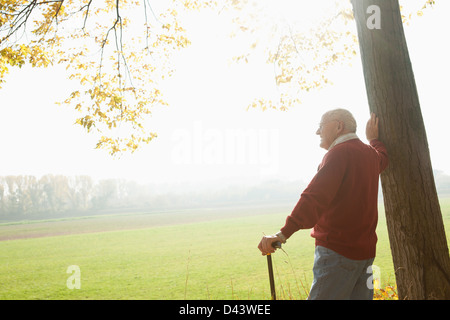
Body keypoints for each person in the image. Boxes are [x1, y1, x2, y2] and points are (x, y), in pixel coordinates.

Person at [258, 109, 388, 300]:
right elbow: (383, 157)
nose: (317, 132)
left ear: (338, 126)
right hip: (366, 255)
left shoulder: (338, 154)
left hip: (337, 253)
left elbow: (314, 198)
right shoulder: (370, 154)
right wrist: (374, 140)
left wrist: (282, 234)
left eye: (320, 126)